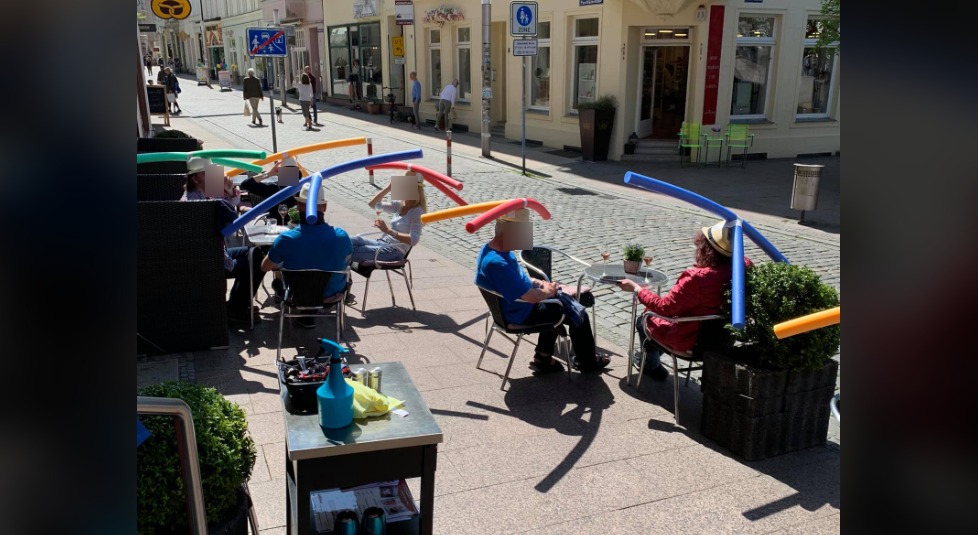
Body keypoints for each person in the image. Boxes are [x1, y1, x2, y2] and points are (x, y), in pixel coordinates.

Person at [615, 221, 753, 380]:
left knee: (643, 319)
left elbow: (664, 307)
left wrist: (636, 289)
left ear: (704, 249)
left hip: (690, 340)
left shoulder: (698, 278)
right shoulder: (744, 267)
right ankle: (651, 357)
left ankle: (652, 366)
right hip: (722, 341)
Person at [475, 212, 611, 373]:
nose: (524, 238)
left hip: (513, 307)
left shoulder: (492, 250)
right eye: (521, 232)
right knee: (577, 310)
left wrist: (538, 283)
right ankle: (588, 362)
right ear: (506, 232)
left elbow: (517, 279)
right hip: (520, 313)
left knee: (560, 302)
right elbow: (532, 297)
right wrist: (548, 291)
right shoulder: (498, 263)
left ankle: (543, 356)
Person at [181, 158, 265, 325]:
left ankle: (237, 304)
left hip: (217, 252)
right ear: (195, 178)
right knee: (258, 261)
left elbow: (231, 204)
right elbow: (230, 224)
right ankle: (237, 308)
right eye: (208, 173)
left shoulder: (203, 193)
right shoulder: (197, 204)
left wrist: (228, 190)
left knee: (255, 253)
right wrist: (227, 194)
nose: (215, 176)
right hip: (211, 261)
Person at [261, 182, 353, 328]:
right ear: (325, 207)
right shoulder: (342, 236)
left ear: (298, 206)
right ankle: (309, 317)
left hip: (296, 295)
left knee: (277, 280)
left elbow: (265, 267)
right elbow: (348, 260)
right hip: (332, 295)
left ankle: (304, 316)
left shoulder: (286, 239)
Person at [350, 173, 426, 265]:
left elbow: (414, 240)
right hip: (382, 243)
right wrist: (388, 188)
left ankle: (339, 276)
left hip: (393, 251)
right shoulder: (400, 205)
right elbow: (373, 204)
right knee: (351, 240)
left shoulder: (417, 212)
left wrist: (387, 230)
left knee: (348, 251)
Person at [240, 158, 297, 224]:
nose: (289, 175)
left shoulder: (302, 189)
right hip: (276, 228)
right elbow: (246, 184)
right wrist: (269, 173)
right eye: (286, 171)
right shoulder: (274, 188)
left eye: (292, 172)